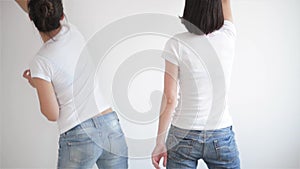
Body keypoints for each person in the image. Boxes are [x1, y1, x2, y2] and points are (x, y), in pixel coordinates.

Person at [15, 0, 128, 168]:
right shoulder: (72, 31)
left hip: (79, 133)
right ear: (61, 15)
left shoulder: (40, 62)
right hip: (110, 124)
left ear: (31, 18)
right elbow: (41, 7)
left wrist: (38, 84)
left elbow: (51, 113)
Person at [152, 0, 240, 168]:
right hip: (220, 134)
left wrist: (159, 142)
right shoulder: (228, 36)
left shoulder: (176, 44)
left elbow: (169, 98)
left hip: (182, 133)